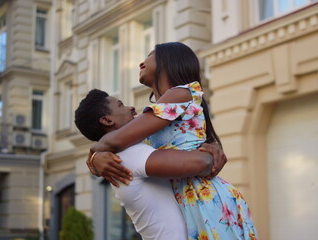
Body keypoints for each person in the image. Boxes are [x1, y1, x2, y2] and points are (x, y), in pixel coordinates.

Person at [89, 42, 258, 240]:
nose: (142, 62)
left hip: (203, 195)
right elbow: (115, 138)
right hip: (187, 197)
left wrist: (93, 152)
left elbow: (116, 140)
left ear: (169, 62)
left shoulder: (182, 93)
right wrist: (96, 158)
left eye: (151, 54)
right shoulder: (157, 113)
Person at [74, 89, 226, 240]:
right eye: (121, 105)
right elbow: (202, 163)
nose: (131, 107)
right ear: (107, 120)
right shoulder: (131, 154)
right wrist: (212, 150)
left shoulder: (124, 154)